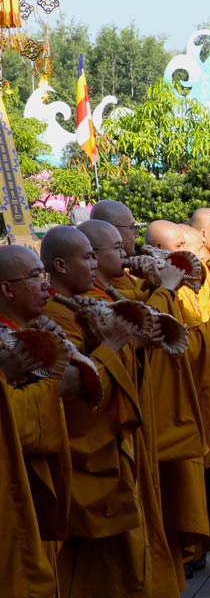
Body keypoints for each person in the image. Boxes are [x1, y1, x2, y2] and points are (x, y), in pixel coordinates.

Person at [41, 225, 181, 596]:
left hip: (118, 451)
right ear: (59, 264)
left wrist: (131, 347)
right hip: (91, 461)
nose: (94, 264)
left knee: (129, 557)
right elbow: (73, 394)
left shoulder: (87, 304)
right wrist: (116, 345)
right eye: (87, 257)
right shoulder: (55, 318)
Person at [0, 245, 76, 594]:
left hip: (36, 484)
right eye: (35, 277)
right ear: (6, 289)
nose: (46, 286)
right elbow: (20, 424)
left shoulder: (31, 330)